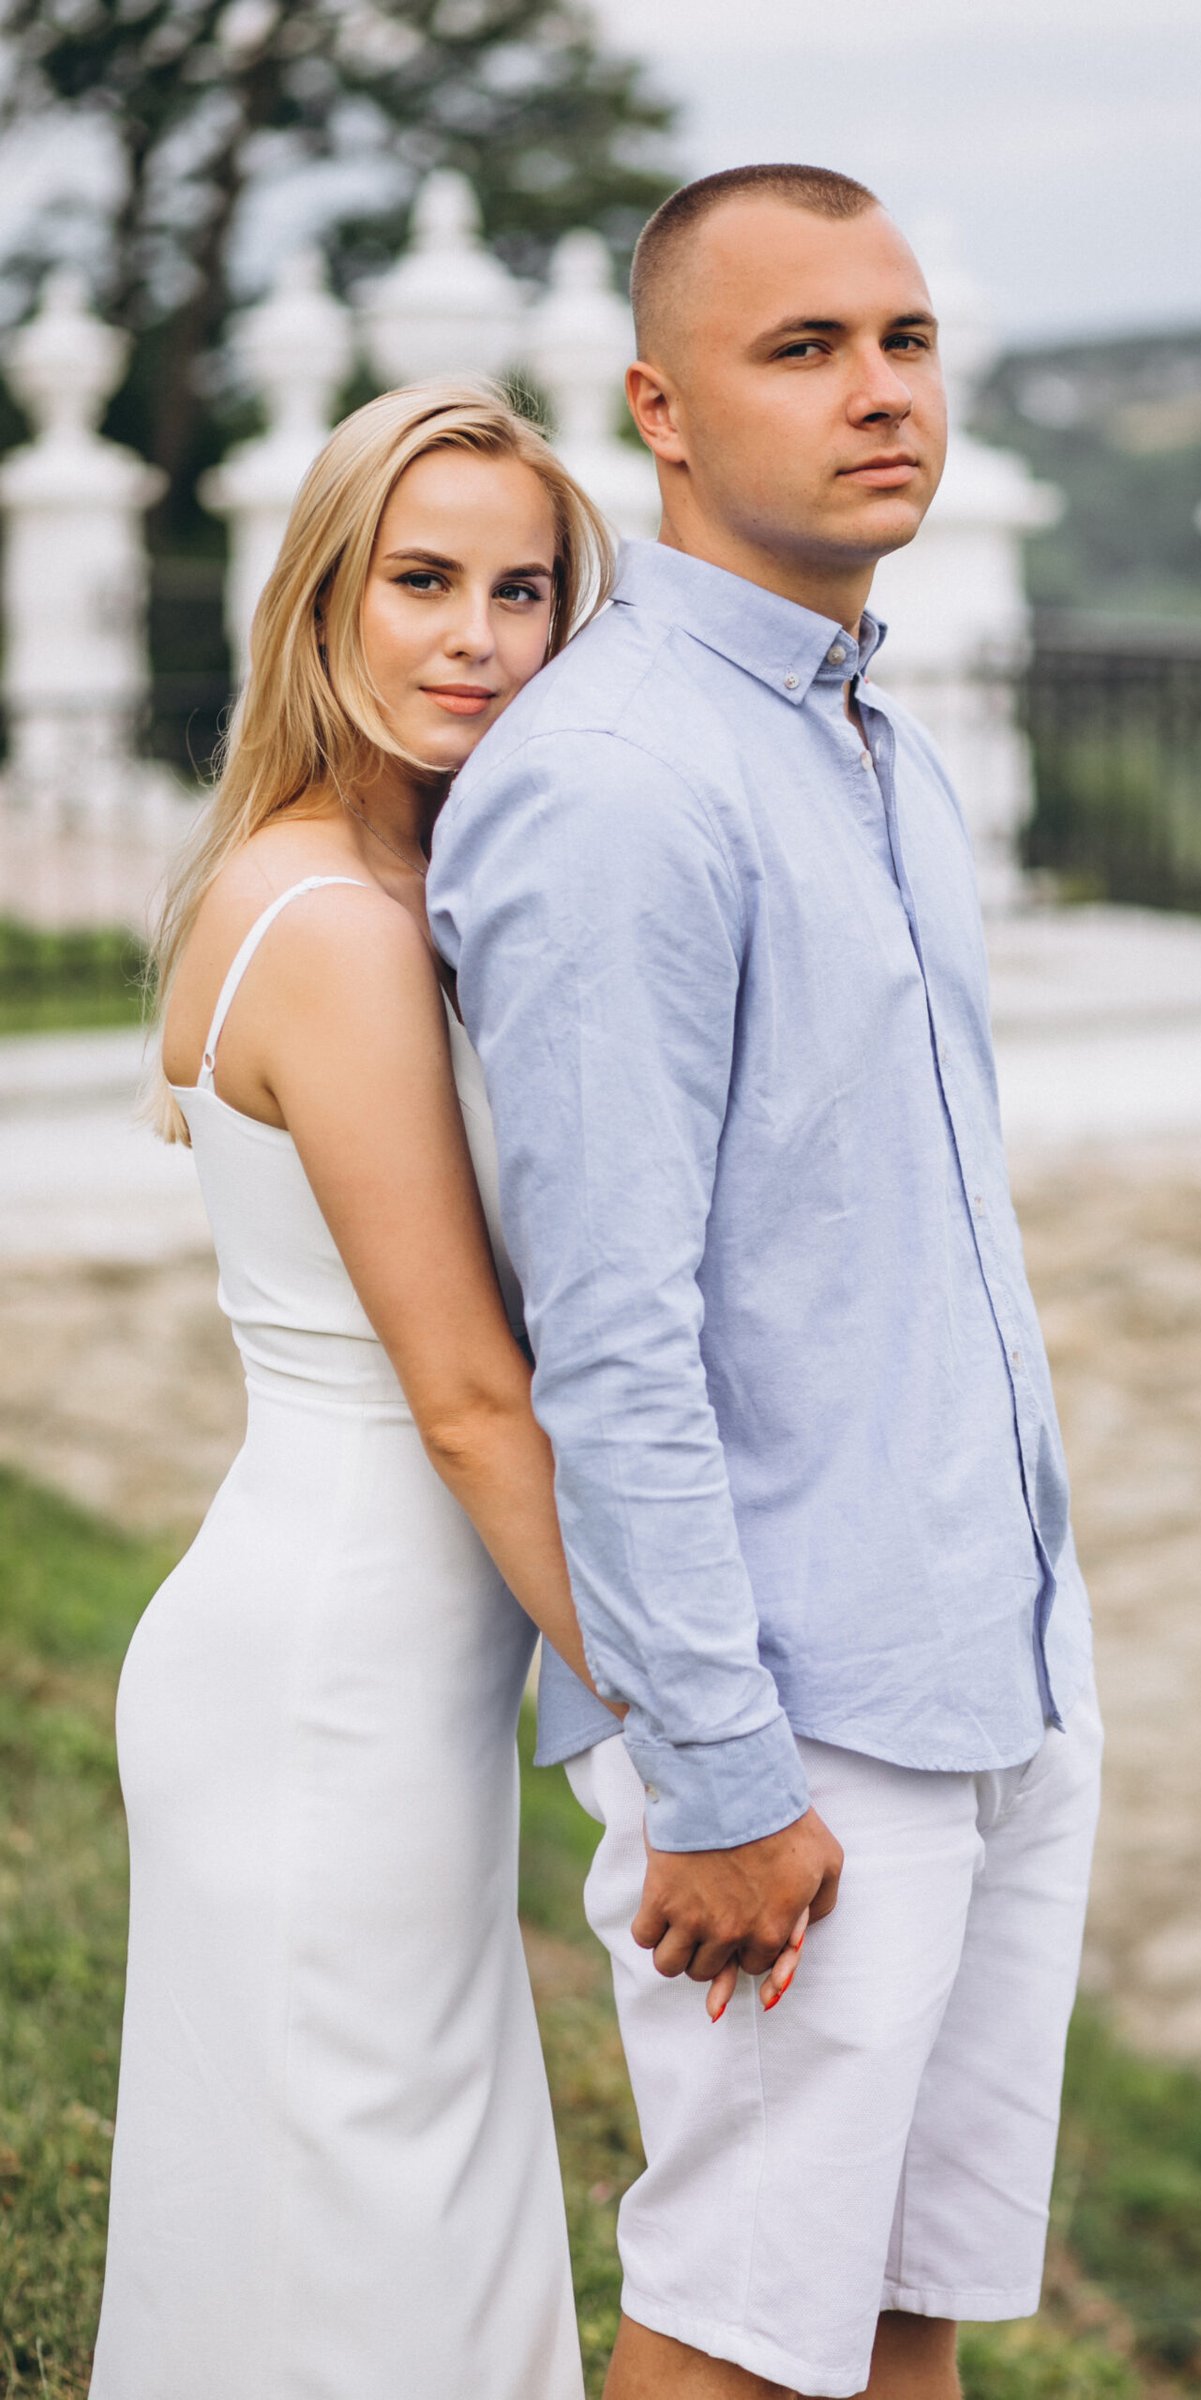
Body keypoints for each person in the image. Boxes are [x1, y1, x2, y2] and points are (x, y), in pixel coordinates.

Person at [428, 165, 1104, 2400]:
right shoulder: (620, 785)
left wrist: (1043, 1653)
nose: (879, 391)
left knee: (904, 2320)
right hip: (794, 1721)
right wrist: (713, 1773)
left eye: (902, 340)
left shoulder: (869, 740)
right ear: (662, 410)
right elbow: (607, 1341)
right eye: (801, 349)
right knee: (732, 2341)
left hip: (990, 1660)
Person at [92, 379, 793, 2400]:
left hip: (384, 1659)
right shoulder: (328, 922)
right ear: (325, 597)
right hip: (332, 1667)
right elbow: (475, 1398)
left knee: (382, 2197)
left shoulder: (416, 889)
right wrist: (690, 1735)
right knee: (366, 2228)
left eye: (523, 590)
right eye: (420, 582)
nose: (476, 638)